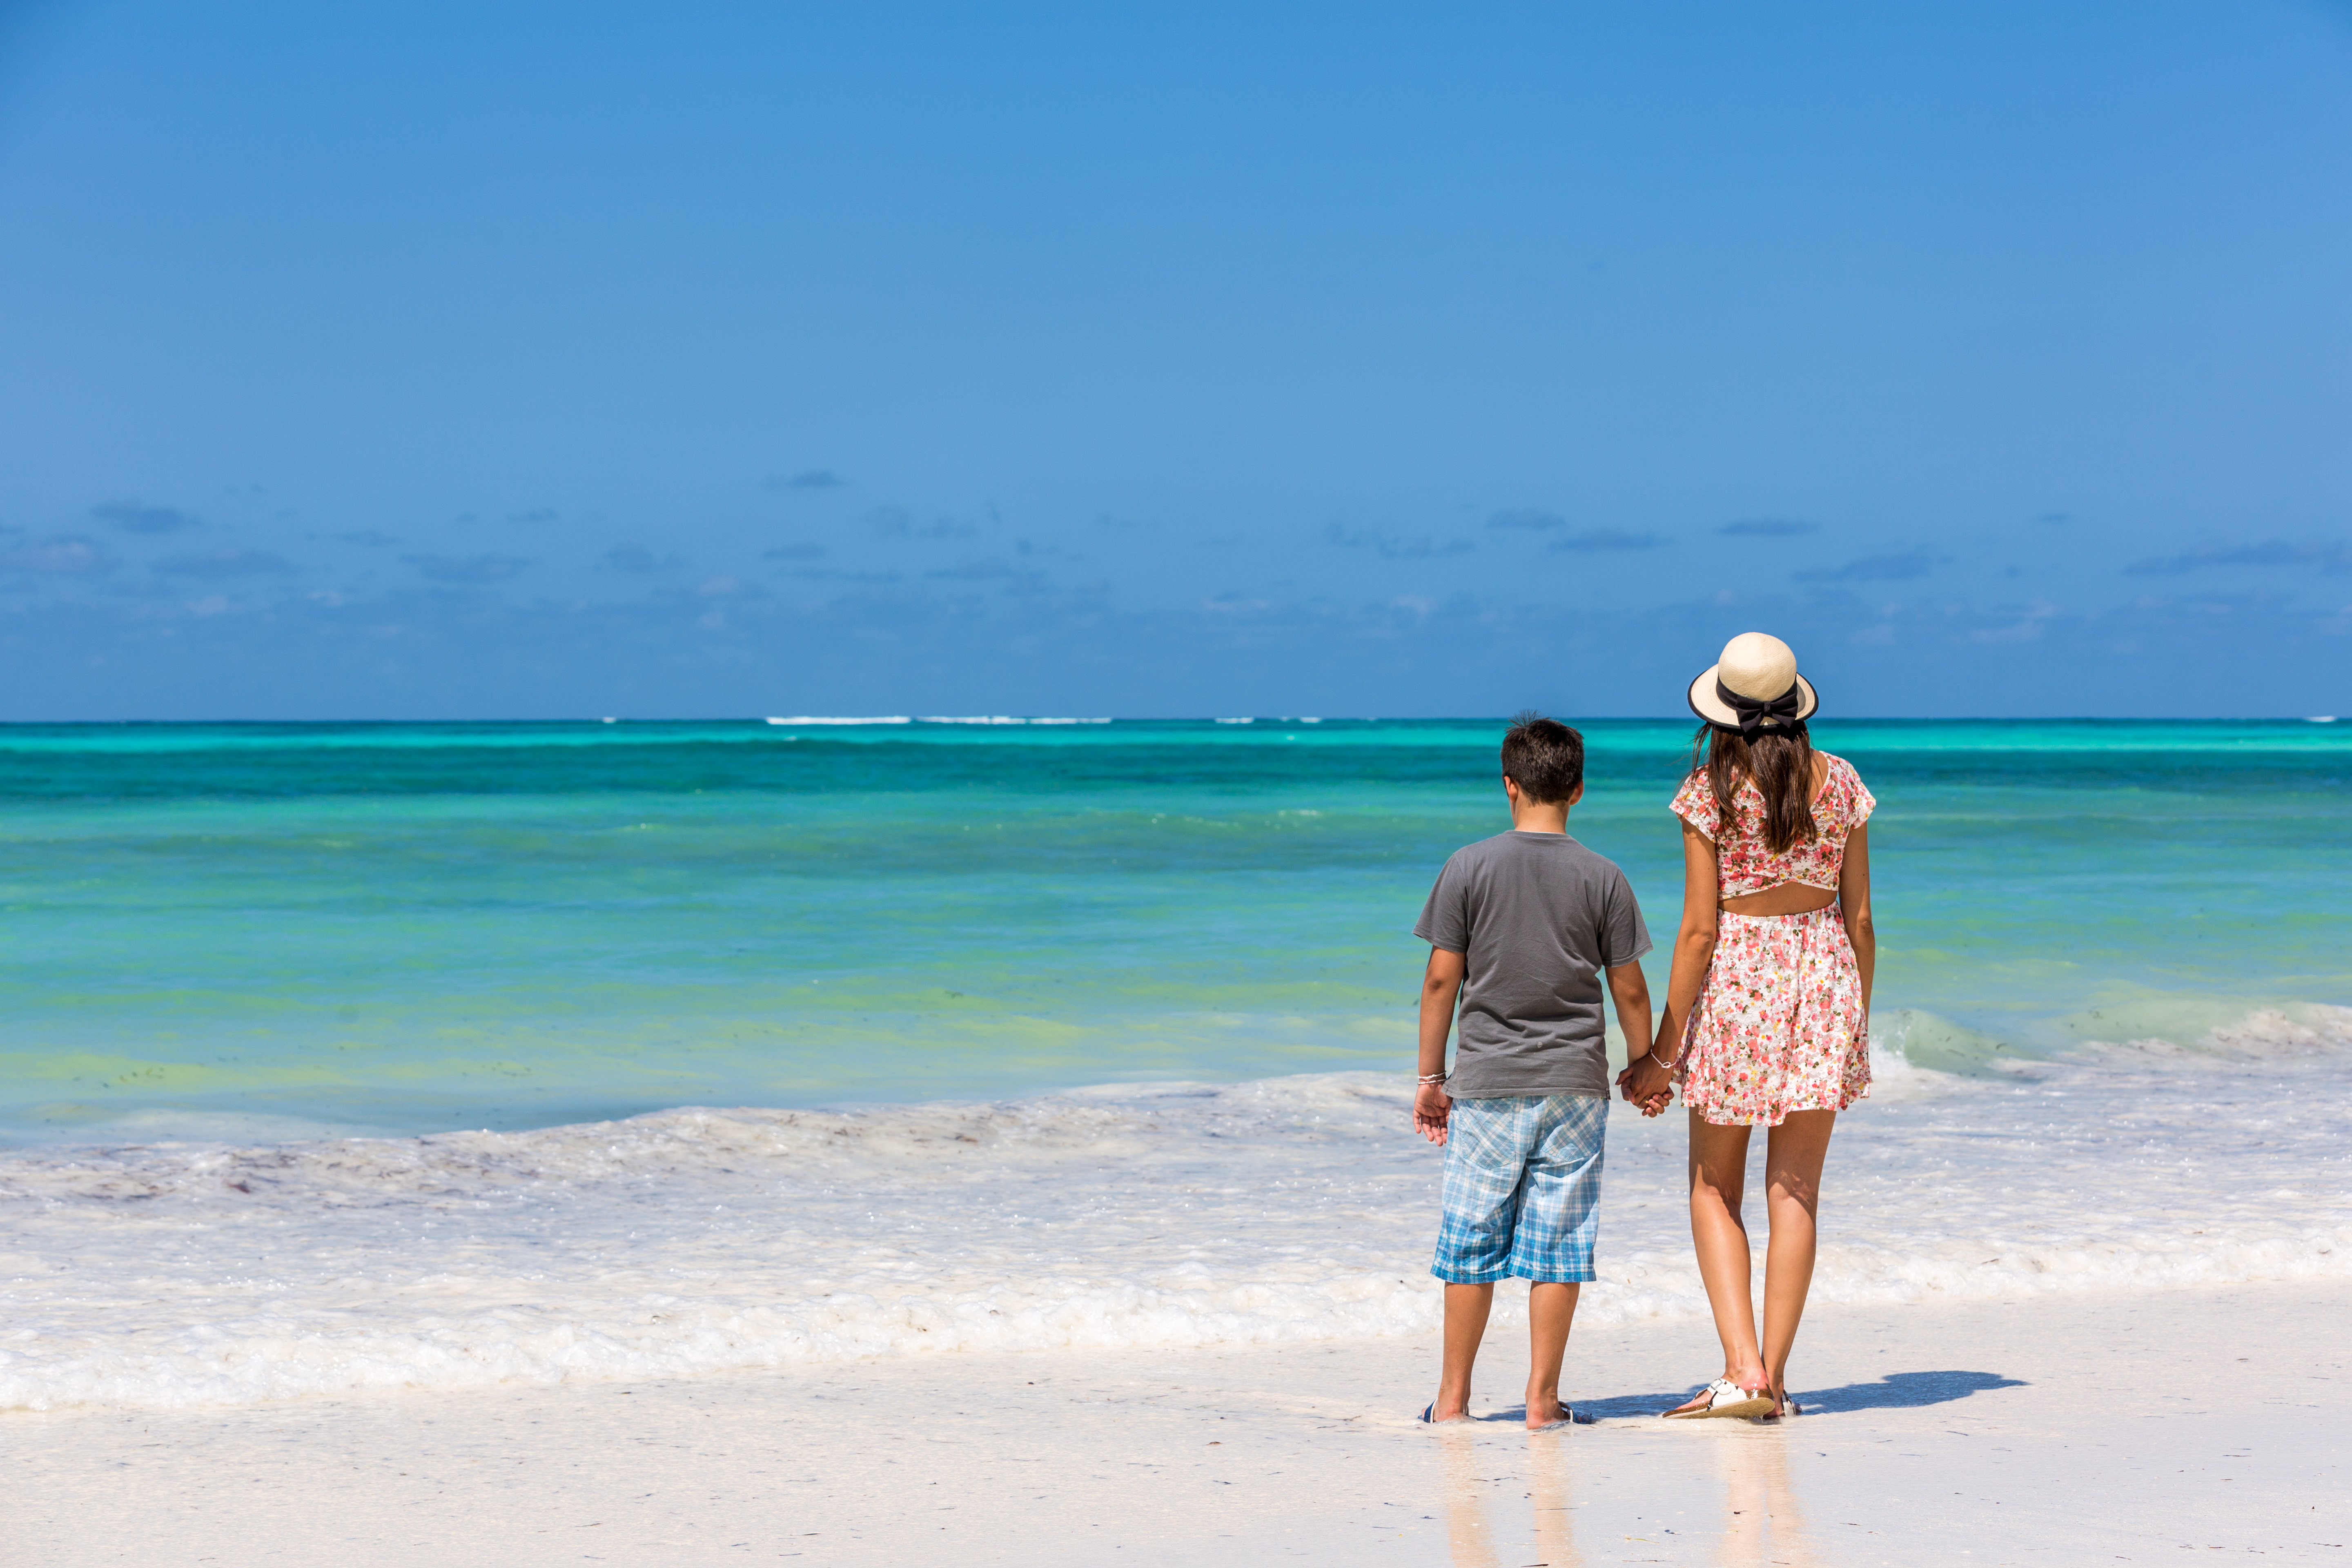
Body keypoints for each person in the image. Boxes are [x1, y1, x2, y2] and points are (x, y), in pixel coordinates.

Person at [1617, 632, 1876, 1421]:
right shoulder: (1843, 782)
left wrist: (1662, 1053)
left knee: (1713, 1186)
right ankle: (1778, 1380)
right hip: (1825, 977)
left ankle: (1743, 1370)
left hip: (1739, 981)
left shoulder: (1710, 790)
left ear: (1723, 712)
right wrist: (1853, 1016)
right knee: (1795, 1192)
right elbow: (1860, 919)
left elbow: (1698, 931)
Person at [1412, 713, 1655, 1430]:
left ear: (1509, 785)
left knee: (1471, 1242)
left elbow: (1439, 982)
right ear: (1578, 790)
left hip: (1487, 1083)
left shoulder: (1468, 866)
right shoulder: (1604, 877)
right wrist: (1645, 1064)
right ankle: (1542, 1401)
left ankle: (1453, 1400)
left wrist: (1432, 1079)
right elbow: (1630, 988)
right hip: (1575, 1083)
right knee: (1559, 1244)